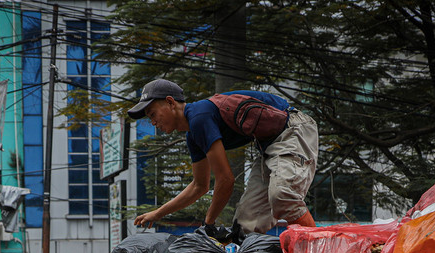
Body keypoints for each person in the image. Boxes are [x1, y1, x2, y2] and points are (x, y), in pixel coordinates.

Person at [128, 78, 320, 235]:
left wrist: (208, 223)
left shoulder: (199, 116)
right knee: (245, 226)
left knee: (282, 195)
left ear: (170, 102)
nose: (153, 122)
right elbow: (199, 186)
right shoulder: (193, 135)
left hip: (293, 129)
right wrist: (158, 214)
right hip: (269, 146)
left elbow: (225, 180)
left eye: (153, 114)